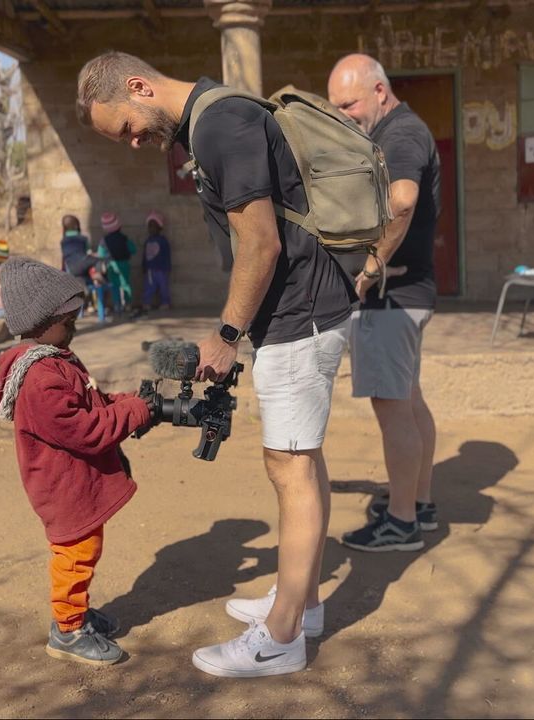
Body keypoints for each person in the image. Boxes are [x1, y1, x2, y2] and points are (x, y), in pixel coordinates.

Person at [77, 51, 356, 677]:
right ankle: (301, 603)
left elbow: (260, 241)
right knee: (302, 458)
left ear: (140, 87)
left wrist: (227, 334)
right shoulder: (217, 119)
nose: (132, 143)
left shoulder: (219, 125)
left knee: (287, 466)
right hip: (302, 309)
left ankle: (281, 637)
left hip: (297, 312)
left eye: (125, 127)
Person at [0, 256, 157, 665]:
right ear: (42, 323)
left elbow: (90, 404)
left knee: (85, 548)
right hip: (63, 487)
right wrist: (134, 414)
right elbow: (85, 429)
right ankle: (67, 630)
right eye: (69, 319)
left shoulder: (56, 359)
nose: (75, 325)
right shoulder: (41, 377)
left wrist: (130, 400)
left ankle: (75, 613)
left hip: (74, 482)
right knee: (74, 555)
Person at [328, 54, 441, 551]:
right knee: (409, 400)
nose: (343, 113)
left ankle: (401, 522)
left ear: (378, 91)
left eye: (348, 103)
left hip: (393, 296)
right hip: (409, 292)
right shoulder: (395, 131)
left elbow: (402, 200)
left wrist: (370, 270)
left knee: (393, 407)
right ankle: (418, 502)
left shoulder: (399, 134)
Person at [60, 214, 108, 322]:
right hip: (84, 263)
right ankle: (97, 274)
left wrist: (64, 272)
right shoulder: (83, 239)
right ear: (77, 226)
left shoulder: (63, 242)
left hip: (73, 269)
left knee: (79, 278)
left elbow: (64, 259)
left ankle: (83, 288)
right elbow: (86, 252)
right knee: (97, 260)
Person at [97, 211, 136, 313]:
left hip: (110, 266)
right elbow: (133, 249)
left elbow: (100, 254)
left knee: (115, 286)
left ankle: (117, 305)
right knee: (125, 284)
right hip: (124, 264)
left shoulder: (103, 240)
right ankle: (128, 304)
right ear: (119, 225)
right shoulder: (124, 238)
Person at [141, 210, 172, 311]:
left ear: (159, 227)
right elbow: (145, 256)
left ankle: (165, 303)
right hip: (151, 270)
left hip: (162, 269)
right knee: (149, 287)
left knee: (163, 287)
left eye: (153, 225)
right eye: (149, 226)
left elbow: (167, 255)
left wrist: (167, 267)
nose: (151, 228)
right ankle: (147, 303)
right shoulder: (148, 241)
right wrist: (144, 266)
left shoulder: (163, 241)